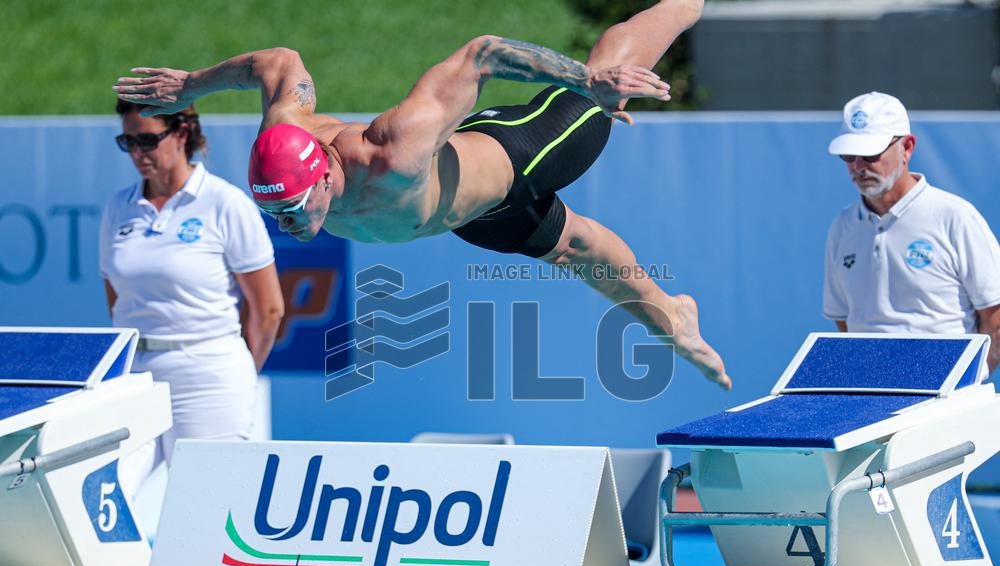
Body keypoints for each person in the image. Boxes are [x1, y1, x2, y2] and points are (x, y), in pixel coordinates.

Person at [113, 0, 731, 389]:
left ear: (325, 176)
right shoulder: (284, 132)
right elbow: (276, 60)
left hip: (516, 157)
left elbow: (483, 55)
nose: (290, 226)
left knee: (606, 85)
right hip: (465, 217)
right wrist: (192, 86)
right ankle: (673, 315)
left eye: (297, 211)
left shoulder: (396, 147)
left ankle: (684, 6)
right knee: (577, 246)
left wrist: (585, 79)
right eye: (274, 212)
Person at [101, 100, 285, 494]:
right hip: (135, 375)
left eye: (147, 140)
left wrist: (235, 370)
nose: (137, 153)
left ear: (182, 134)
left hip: (209, 370)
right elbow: (118, 301)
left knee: (206, 501)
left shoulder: (225, 202)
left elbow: (268, 309)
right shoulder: (119, 206)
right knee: (104, 490)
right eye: (127, 142)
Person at [824, 91, 1000, 373]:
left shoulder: (955, 217)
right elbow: (845, 320)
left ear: (907, 148)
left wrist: (966, 382)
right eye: (848, 154)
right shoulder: (842, 227)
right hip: (871, 398)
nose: (858, 166)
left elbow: (995, 317)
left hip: (946, 401)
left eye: (870, 153)